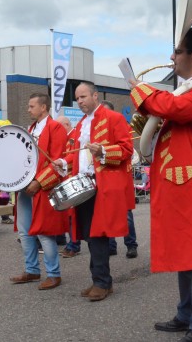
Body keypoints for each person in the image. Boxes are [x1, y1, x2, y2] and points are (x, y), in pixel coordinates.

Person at [131, 27, 192, 341]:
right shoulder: (190, 87)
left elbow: (173, 110)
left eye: (177, 51)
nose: (171, 57)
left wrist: (139, 90)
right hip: (182, 183)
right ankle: (186, 315)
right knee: (187, 253)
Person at [38, 82, 133, 302]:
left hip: (103, 186)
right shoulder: (81, 124)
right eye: (77, 98)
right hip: (83, 185)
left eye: (83, 97)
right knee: (90, 236)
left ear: (95, 96)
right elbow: (76, 156)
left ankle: (102, 282)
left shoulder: (114, 118)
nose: (80, 101)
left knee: (97, 235)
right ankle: (100, 280)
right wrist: (63, 162)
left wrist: (103, 150)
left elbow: (127, 149)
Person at [9, 93, 68, 290]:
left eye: (31, 106)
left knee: (44, 232)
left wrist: (39, 182)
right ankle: (32, 270)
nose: (28, 109)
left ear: (43, 107)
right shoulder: (31, 129)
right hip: (25, 187)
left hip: (42, 187)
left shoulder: (56, 128)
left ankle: (54, 274)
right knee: (25, 232)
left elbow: (58, 162)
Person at [101, 101, 139, 259]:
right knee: (107, 212)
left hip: (120, 174)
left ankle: (131, 245)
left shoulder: (121, 125)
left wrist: (103, 152)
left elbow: (126, 150)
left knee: (125, 213)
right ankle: (111, 245)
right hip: (105, 175)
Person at [55, 115, 82, 258]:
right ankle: (68, 242)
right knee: (67, 214)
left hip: (72, 179)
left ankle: (74, 245)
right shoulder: (66, 136)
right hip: (65, 179)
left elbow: (74, 156)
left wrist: (62, 162)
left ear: (66, 124)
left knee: (72, 215)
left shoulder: (75, 136)